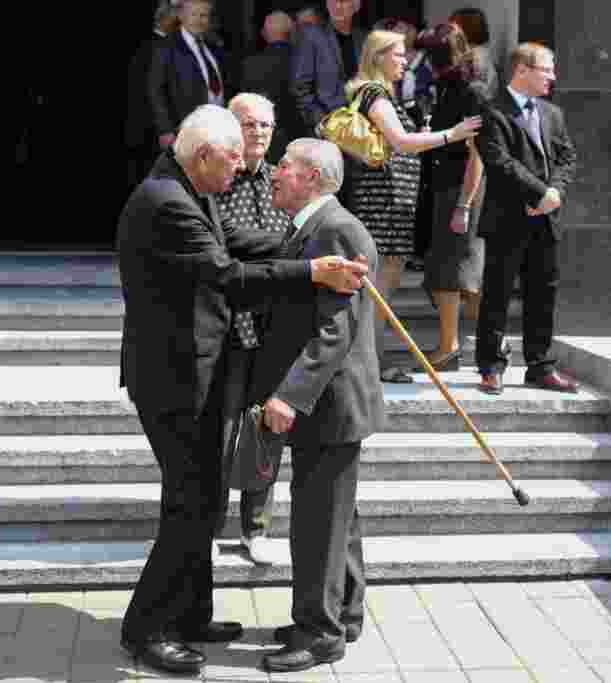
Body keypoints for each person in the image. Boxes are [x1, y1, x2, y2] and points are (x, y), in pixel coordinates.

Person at [116, 104, 369, 676]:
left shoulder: (187, 184)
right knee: (190, 504)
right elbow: (225, 273)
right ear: (203, 155)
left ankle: (189, 613)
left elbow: (235, 238)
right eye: (234, 158)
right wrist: (310, 271)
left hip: (196, 372)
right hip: (174, 378)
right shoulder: (166, 201)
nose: (246, 167)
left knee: (202, 500)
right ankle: (147, 628)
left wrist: (303, 248)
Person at [248, 138, 382, 673]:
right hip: (326, 404)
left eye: (284, 166)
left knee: (317, 522)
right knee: (336, 518)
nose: (275, 173)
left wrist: (288, 395)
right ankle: (342, 614)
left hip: (328, 403)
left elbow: (336, 329)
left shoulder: (336, 228)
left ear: (313, 177)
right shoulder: (309, 225)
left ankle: (319, 633)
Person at [344, 29, 481, 383]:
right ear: (379, 58)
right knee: (379, 290)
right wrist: (452, 134)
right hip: (383, 204)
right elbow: (402, 143)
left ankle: (372, 363)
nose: (406, 61)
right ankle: (371, 366)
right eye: (399, 54)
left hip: (394, 202)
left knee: (380, 289)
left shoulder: (380, 94)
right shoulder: (372, 92)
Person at [213, 93, 291, 566]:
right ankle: (207, 525)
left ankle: (255, 528)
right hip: (226, 325)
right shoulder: (215, 175)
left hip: (274, 325)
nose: (258, 131)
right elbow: (224, 238)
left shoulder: (285, 175)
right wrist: (288, 246)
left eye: (265, 124)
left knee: (266, 428)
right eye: (248, 123)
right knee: (219, 433)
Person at [475, 42, 578, 395]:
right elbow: (501, 163)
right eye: (546, 70)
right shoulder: (492, 112)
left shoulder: (553, 113)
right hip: (508, 218)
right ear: (522, 71)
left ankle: (540, 365)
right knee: (497, 293)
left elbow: (567, 157)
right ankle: (491, 366)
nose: (553, 76)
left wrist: (555, 195)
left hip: (546, 220)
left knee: (543, 293)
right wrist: (540, 194)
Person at [417, 23, 489, 371]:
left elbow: (478, 154)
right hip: (446, 188)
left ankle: (452, 347)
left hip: (462, 191)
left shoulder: (471, 91)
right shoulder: (448, 87)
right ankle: (470, 343)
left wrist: (463, 204)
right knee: (448, 273)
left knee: (455, 273)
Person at [147, 0, 226, 154]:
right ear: (181, 16)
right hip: (184, 130)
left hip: (216, 129)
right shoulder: (167, 46)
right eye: (194, 14)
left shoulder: (213, 46)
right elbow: (156, 89)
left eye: (204, 15)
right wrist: (165, 129)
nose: (199, 20)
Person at [288, 0, 364, 140]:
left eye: (343, 1)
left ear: (356, 6)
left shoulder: (363, 38)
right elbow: (300, 86)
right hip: (327, 127)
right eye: (332, 1)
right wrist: (320, 119)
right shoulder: (312, 36)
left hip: (362, 128)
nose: (337, 5)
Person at [123, 1, 174, 189]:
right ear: (165, 19)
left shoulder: (145, 45)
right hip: (150, 127)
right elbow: (153, 90)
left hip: (141, 126)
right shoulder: (159, 47)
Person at [237, 12, 295, 165]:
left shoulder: (251, 65)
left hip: (266, 140)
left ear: (263, 34)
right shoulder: (304, 60)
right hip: (302, 137)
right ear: (292, 32)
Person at [448, 7, 498, 101]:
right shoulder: (467, 52)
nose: (449, 32)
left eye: (453, 28)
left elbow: (481, 90)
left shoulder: (479, 56)